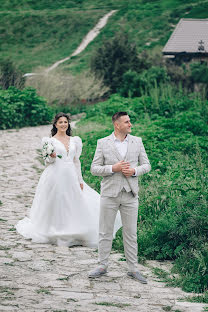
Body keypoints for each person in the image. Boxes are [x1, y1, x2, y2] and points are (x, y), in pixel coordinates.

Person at [16, 112, 121, 247]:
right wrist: (52, 156)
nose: (63, 124)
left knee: (73, 201)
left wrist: (80, 180)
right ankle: (55, 230)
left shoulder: (75, 140)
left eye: (65, 122)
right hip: (54, 175)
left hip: (71, 174)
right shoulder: (49, 142)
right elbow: (47, 162)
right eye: (60, 122)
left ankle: (74, 229)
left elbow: (76, 161)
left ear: (68, 124)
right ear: (55, 124)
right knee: (57, 201)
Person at [88, 112, 151, 283]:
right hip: (109, 193)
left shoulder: (137, 141)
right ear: (117, 125)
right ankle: (102, 265)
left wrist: (135, 171)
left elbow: (147, 165)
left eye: (130, 121)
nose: (130, 124)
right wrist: (112, 168)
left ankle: (133, 269)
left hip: (130, 194)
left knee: (131, 233)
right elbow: (94, 168)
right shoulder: (102, 143)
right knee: (105, 231)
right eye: (127, 122)